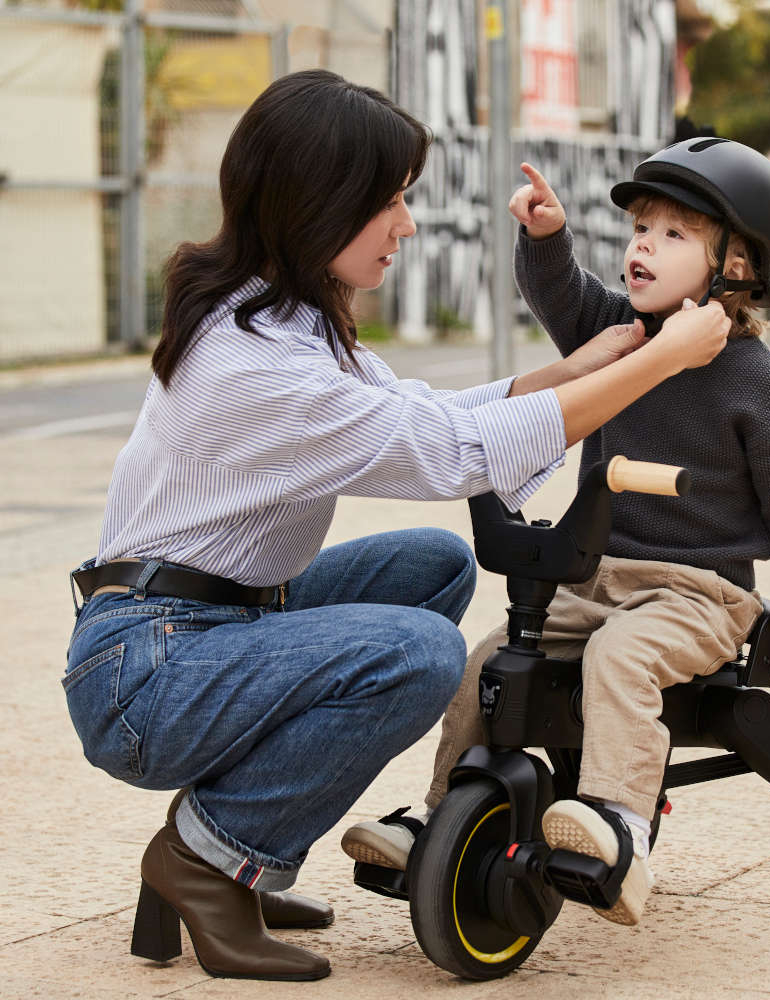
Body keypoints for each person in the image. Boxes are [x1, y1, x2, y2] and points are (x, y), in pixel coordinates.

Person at [63, 72, 732, 982]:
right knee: (414, 652)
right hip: (145, 675)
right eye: (388, 201)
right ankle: (207, 858)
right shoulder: (251, 365)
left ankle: (230, 844)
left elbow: (421, 408)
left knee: (433, 568)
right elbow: (445, 450)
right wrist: (656, 364)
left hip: (199, 625)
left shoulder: (285, 315)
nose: (406, 224)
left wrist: (575, 369)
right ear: (318, 203)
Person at [341, 136, 770, 928]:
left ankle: (619, 826)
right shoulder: (624, 329)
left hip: (699, 596)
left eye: (674, 234)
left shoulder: (764, 389)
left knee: (620, 659)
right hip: (596, 580)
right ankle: (439, 816)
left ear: (737, 267)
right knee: (492, 660)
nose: (643, 244)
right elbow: (562, 299)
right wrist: (545, 237)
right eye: (642, 228)